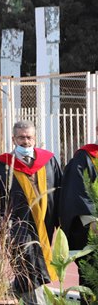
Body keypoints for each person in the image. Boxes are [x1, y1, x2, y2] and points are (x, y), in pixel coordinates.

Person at [0, 120, 62, 305]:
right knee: (30, 269)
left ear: (35, 138)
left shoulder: (48, 161)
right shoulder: (0, 166)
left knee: (32, 270)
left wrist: (63, 220)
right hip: (16, 228)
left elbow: (61, 192)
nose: (25, 142)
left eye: (29, 137)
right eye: (21, 138)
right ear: (13, 139)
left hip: (44, 226)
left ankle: (6, 295)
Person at [60, 127, 98, 303]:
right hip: (93, 232)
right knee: (92, 280)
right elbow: (77, 191)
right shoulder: (85, 157)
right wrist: (92, 220)